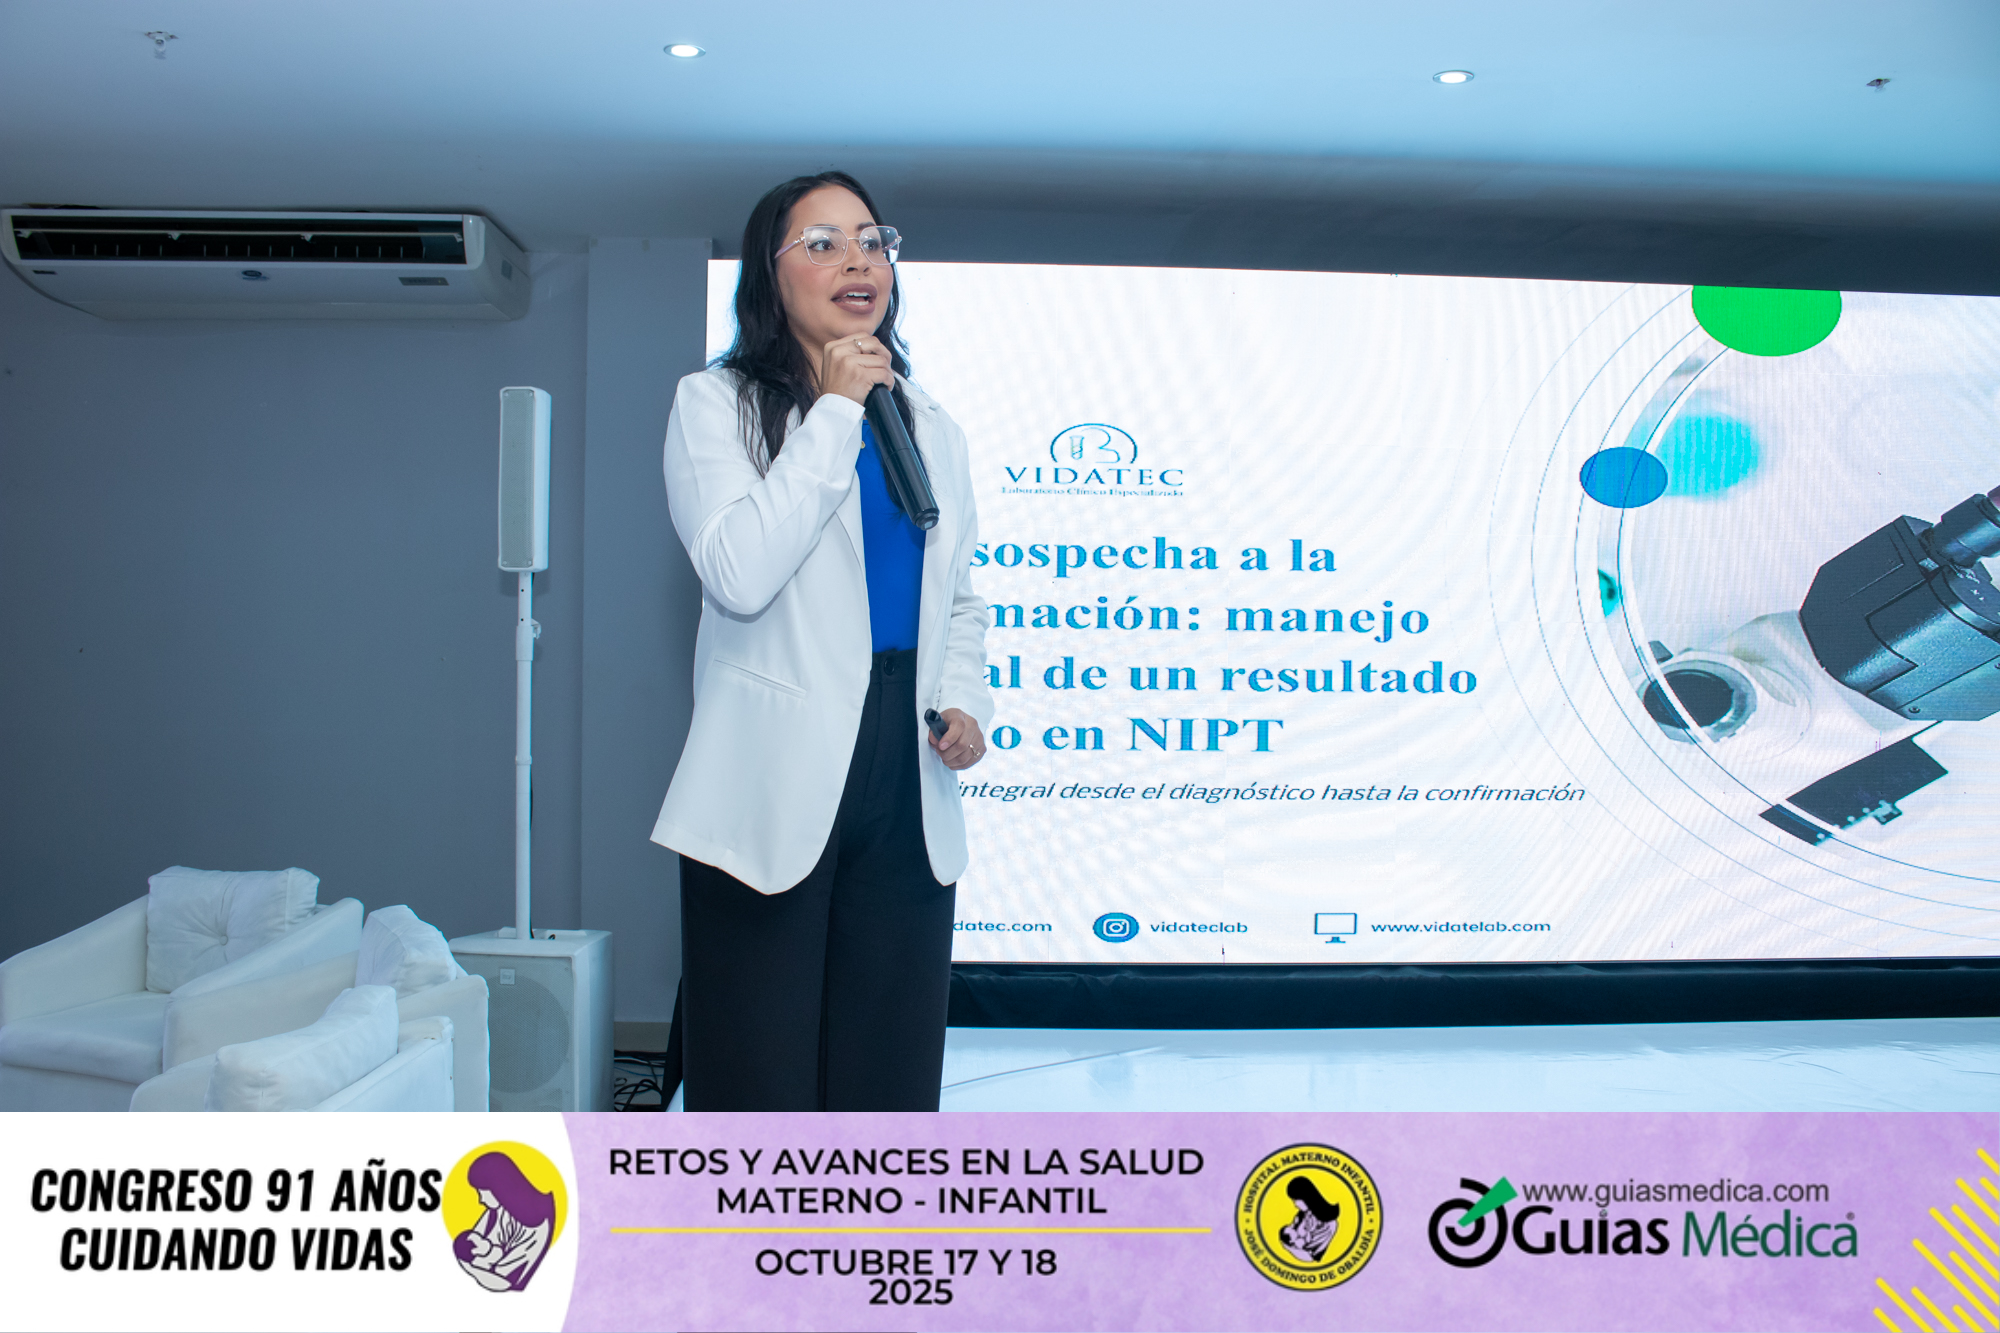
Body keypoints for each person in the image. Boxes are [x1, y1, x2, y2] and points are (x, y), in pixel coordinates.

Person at [650, 171, 993, 1111]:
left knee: (889, 1076)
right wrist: (835, 411)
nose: (857, 261)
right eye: (825, 243)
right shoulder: (714, 403)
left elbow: (959, 598)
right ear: (770, 274)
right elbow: (738, 570)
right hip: (773, 769)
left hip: (906, 762)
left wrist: (965, 700)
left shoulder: (932, 425)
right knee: (757, 1076)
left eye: (872, 241)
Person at [452, 1152, 556, 1292]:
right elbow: (472, 1240)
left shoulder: (537, 1225)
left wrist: (470, 1268)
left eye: (482, 1192)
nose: (481, 1200)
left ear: (499, 1189)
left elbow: (504, 1281)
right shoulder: (498, 1210)